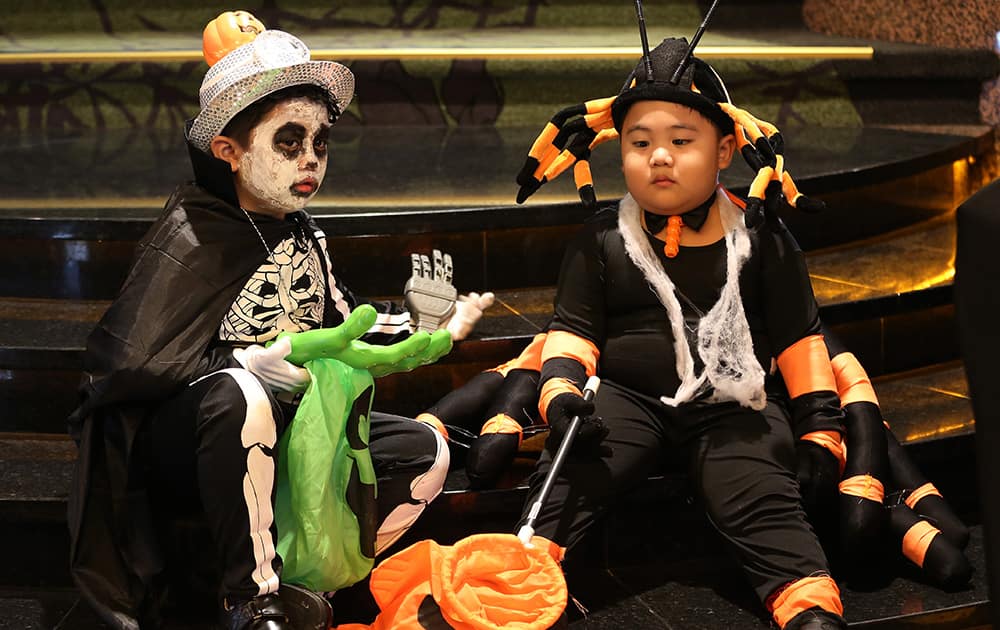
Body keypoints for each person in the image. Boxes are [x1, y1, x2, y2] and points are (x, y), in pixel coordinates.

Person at [67, 14, 492, 630]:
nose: (310, 159)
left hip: (289, 435)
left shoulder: (302, 233)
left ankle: (311, 578)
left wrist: (431, 326)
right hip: (192, 447)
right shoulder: (193, 237)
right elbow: (127, 362)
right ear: (229, 152)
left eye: (319, 142)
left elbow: (346, 329)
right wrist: (242, 363)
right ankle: (252, 598)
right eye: (288, 142)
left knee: (425, 449)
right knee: (242, 395)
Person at [513, 37, 848, 630]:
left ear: (724, 150)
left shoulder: (763, 237)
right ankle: (520, 580)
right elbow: (573, 330)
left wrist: (821, 429)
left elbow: (801, 337)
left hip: (733, 401)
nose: (658, 157)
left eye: (680, 141)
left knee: (757, 491)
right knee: (569, 476)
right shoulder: (601, 237)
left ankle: (808, 604)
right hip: (628, 396)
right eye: (640, 143)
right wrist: (562, 396)